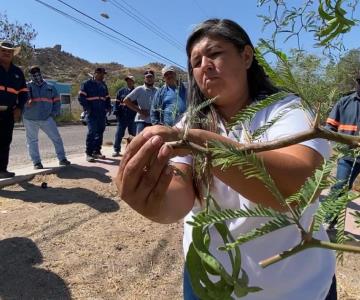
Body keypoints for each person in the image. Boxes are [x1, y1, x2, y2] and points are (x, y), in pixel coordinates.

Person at [115, 19, 337, 300]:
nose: (204, 65)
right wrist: (148, 199)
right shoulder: (189, 123)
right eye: (196, 61)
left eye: (215, 53)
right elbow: (177, 203)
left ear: (246, 56)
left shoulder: (287, 111)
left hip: (298, 290)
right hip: (211, 286)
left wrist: (196, 143)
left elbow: (295, 190)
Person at [325, 73, 360, 229]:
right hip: (347, 157)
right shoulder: (344, 102)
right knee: (339, 188)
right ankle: (328, 221)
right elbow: (329, 128)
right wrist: (339, 145)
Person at [23, 66, 70, 169]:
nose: (36, 75)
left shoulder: (50, 86)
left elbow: (57, 101)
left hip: (47, 118)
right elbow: (20, 101)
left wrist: (54, 113)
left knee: (56, 138)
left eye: (37, 73)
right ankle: (37, 163)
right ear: (30, 75)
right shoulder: (26, 87)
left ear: (40, 73)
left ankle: (62, 159)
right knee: (32, 141)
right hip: (30, 119)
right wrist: (27, 103)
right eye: (33, 73)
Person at [0, 41, 28, 179]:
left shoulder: (17, 72)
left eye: (9, 51)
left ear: (13, 54)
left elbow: (23, 92)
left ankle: (2, 170)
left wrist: (19, 107)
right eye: (3, 50)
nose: (6, 53)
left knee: (5, 141)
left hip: (8, 113)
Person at [78, 67, 111, 162]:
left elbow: (107, 97)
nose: (102, 76)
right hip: (92, 113)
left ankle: (97, 152)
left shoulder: (104, 85)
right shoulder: (86, 84)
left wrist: (108, 107)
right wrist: (88, 108)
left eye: (103, 74)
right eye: (101, 74)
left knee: (100, 132)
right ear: (96, 73)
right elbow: (81, 98)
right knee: (92, 132)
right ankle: (89, 153)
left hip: (101, 113)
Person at [123, 69, 157, 134]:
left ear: (154, 78)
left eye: (151, 77)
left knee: (153, 142)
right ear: (144, 79)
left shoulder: (157, 90)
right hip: (142, 121)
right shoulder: (139, 89)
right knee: (140, 142)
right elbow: (126, 101)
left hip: (154, 121)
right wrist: (140, 111)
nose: (149, 79)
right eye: (147, 77)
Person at [112, 75, 137, 157]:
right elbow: (116, 103)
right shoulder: (121, 91)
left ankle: (132, 151)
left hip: (133, 117)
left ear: (133, 82)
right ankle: (116, 150)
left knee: (133, 135)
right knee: (119, 134)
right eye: (127, 81)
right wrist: (116, 112)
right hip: (122, 117)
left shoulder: (137, 91)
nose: (129, 82)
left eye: (130, 80)